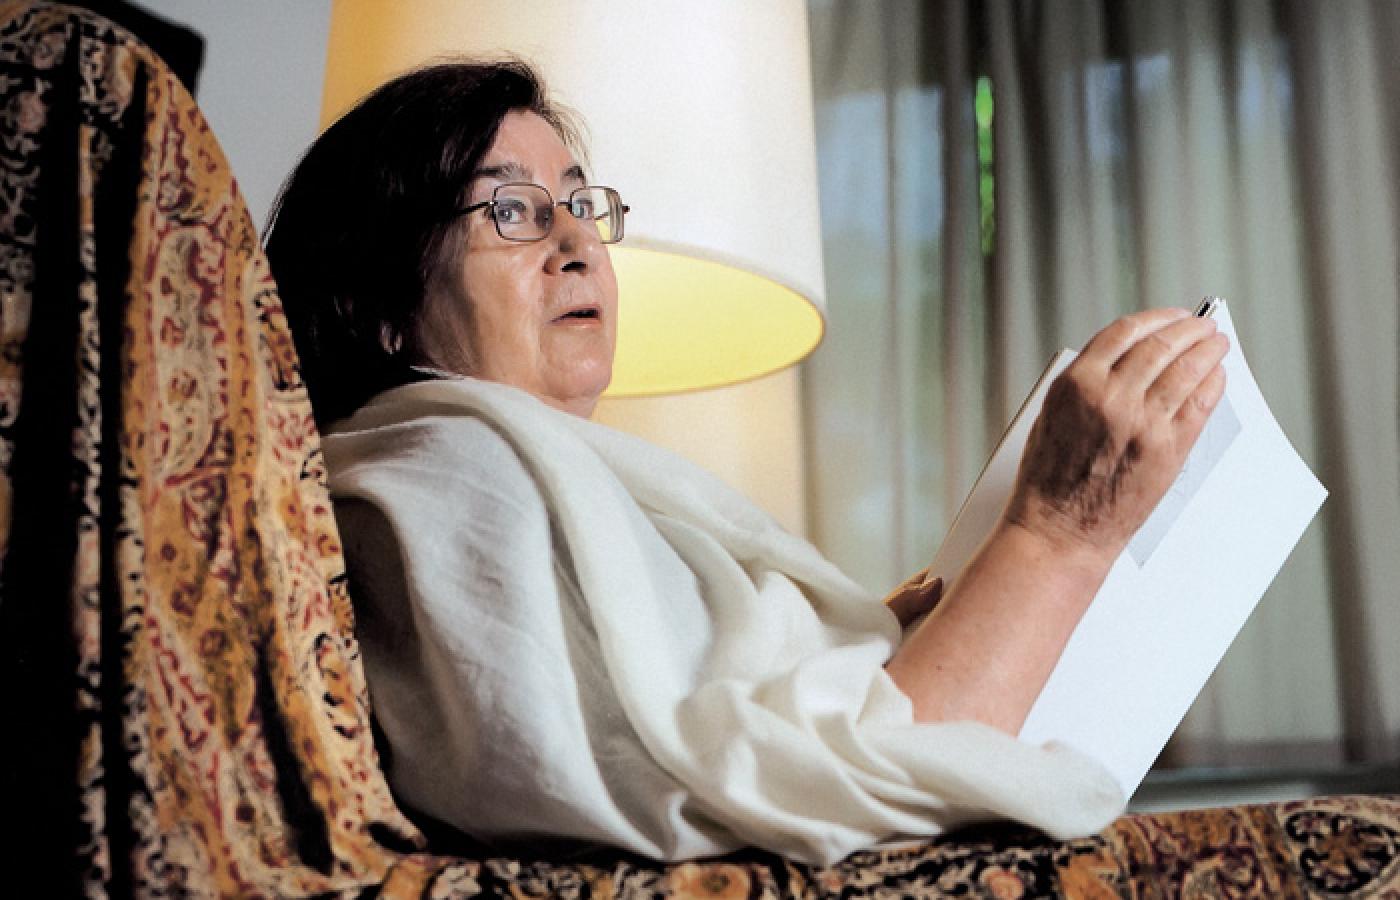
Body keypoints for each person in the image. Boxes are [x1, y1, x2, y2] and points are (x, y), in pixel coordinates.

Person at [265, 60, 1228, 866]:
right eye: (512, 209)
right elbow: (853, 794)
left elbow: (716, 721)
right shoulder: (448, 471)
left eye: (581, 205)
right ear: (378, 304)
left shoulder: (533, 474)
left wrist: (858, 638)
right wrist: (1059, 533)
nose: (577, 244)